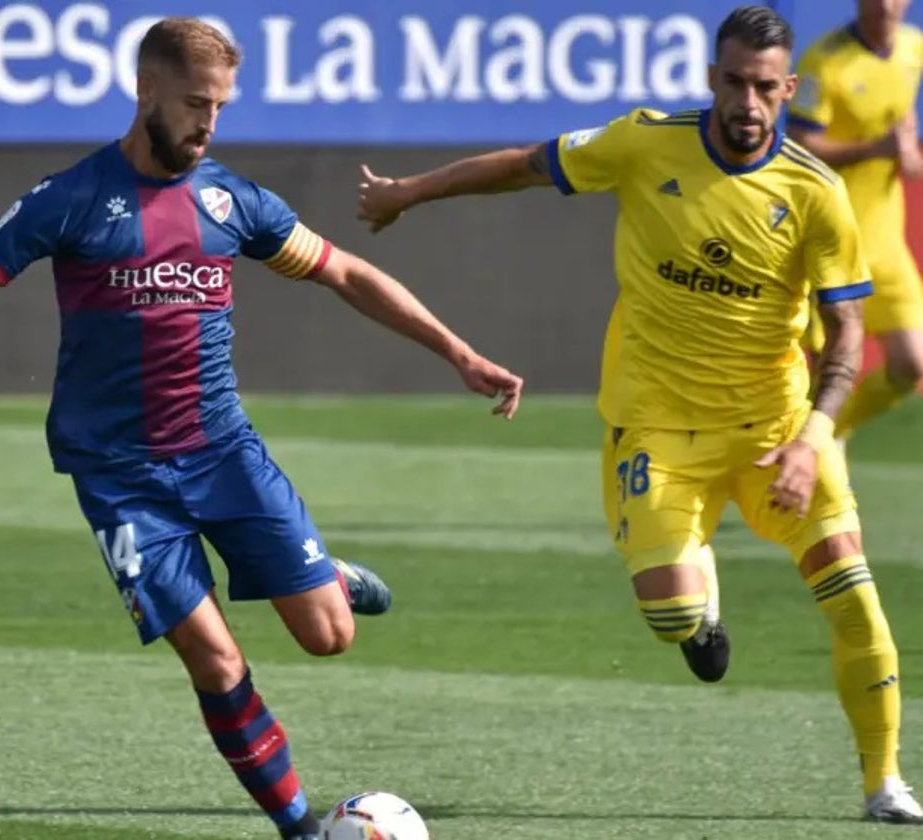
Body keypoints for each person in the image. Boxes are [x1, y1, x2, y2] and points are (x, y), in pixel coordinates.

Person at [0, 17, 522, 840]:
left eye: (221, 107)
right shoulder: (71, 198)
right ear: (146, 93)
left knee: (329, 638)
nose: (209, 124)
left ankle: (326, 577)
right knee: (215, 660)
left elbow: (345, 272)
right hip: (121, 477)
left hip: (222, 452)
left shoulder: (230, 200)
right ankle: (301, 830)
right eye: (196, 104)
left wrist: (458, 353)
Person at [355, 5, 922, 824]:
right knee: (671, 616)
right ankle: (701, 610)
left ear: (788, 88)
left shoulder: (814, 192)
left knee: (853, 594)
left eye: (765, 87)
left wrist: (815, 437)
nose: (748, 102)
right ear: (711, 79)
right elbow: (524, 164)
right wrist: (410, 193)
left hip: (776, 433)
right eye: (734, 82)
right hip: (657, 427)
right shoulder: (645, 141)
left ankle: (884, 782)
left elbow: (846, 340)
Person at [789, 0, 923, 450]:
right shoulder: (823, 63)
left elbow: (901, 120)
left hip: (886, 243)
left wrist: (907, 153)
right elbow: (800, 143)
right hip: (833, 241)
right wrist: (872, 149)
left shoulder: (913, 49)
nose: (884, 6)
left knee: (913, 365)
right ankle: (809, 453)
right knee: (824, 370)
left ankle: (833, 429)